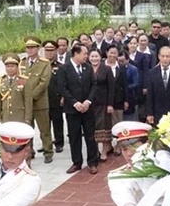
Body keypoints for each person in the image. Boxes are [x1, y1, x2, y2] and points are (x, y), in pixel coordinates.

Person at [58, 44, 99, 175]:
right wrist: (75, 103)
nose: (86, 57)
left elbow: (94, 85)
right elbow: (62, 88)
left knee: (90, 136)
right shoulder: (64, 68)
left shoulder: (88, 68)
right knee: (74, 137)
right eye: (84, 54)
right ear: (76, 54)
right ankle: (77, 162)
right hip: (72, 109)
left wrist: (88, 101)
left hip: (88, 109)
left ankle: (92, 162)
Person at [19, 36, 53, 163]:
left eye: (33, 47)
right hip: (25, 104)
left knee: (44, 129)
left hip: (40, 102)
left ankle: (48, 151)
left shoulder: (44, 63)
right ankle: (29, 151)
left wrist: (31, 96)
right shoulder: (22, 63)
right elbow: (19, 80)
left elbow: (44, 82)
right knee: (28, 128)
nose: (30, 50)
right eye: (28, 48)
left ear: (38, 49)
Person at [88, 49, 116, 162]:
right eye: (92, 56)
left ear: (101, 57)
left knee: (104, 127)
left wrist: (110, 104)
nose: (94, 58)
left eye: (96, 56)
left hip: (104, 103)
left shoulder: (107, 69)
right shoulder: (86, 68)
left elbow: (112, 88)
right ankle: (95, 151)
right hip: (90, 103)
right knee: (92, 128)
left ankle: (105, 150)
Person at [0, 53, 31, 125]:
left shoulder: (24, 81)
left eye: (12, 66)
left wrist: (28, 118)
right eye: (7, 66)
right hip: (6, 117)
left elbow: (28, 101)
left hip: (20, 117)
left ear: (17, 67)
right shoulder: (1, 80)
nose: (10, 69)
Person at [43, 40, 66, 153]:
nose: (49, 53)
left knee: (57, 122)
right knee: (44, 124)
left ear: (56, 51)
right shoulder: (40, 66)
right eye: (47, 50)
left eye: (52, 50)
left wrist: (63, 97)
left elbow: (64, 83)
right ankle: (46, 144)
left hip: (56, 98)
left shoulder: (60, 67)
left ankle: (59, 142)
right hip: (42, 99)